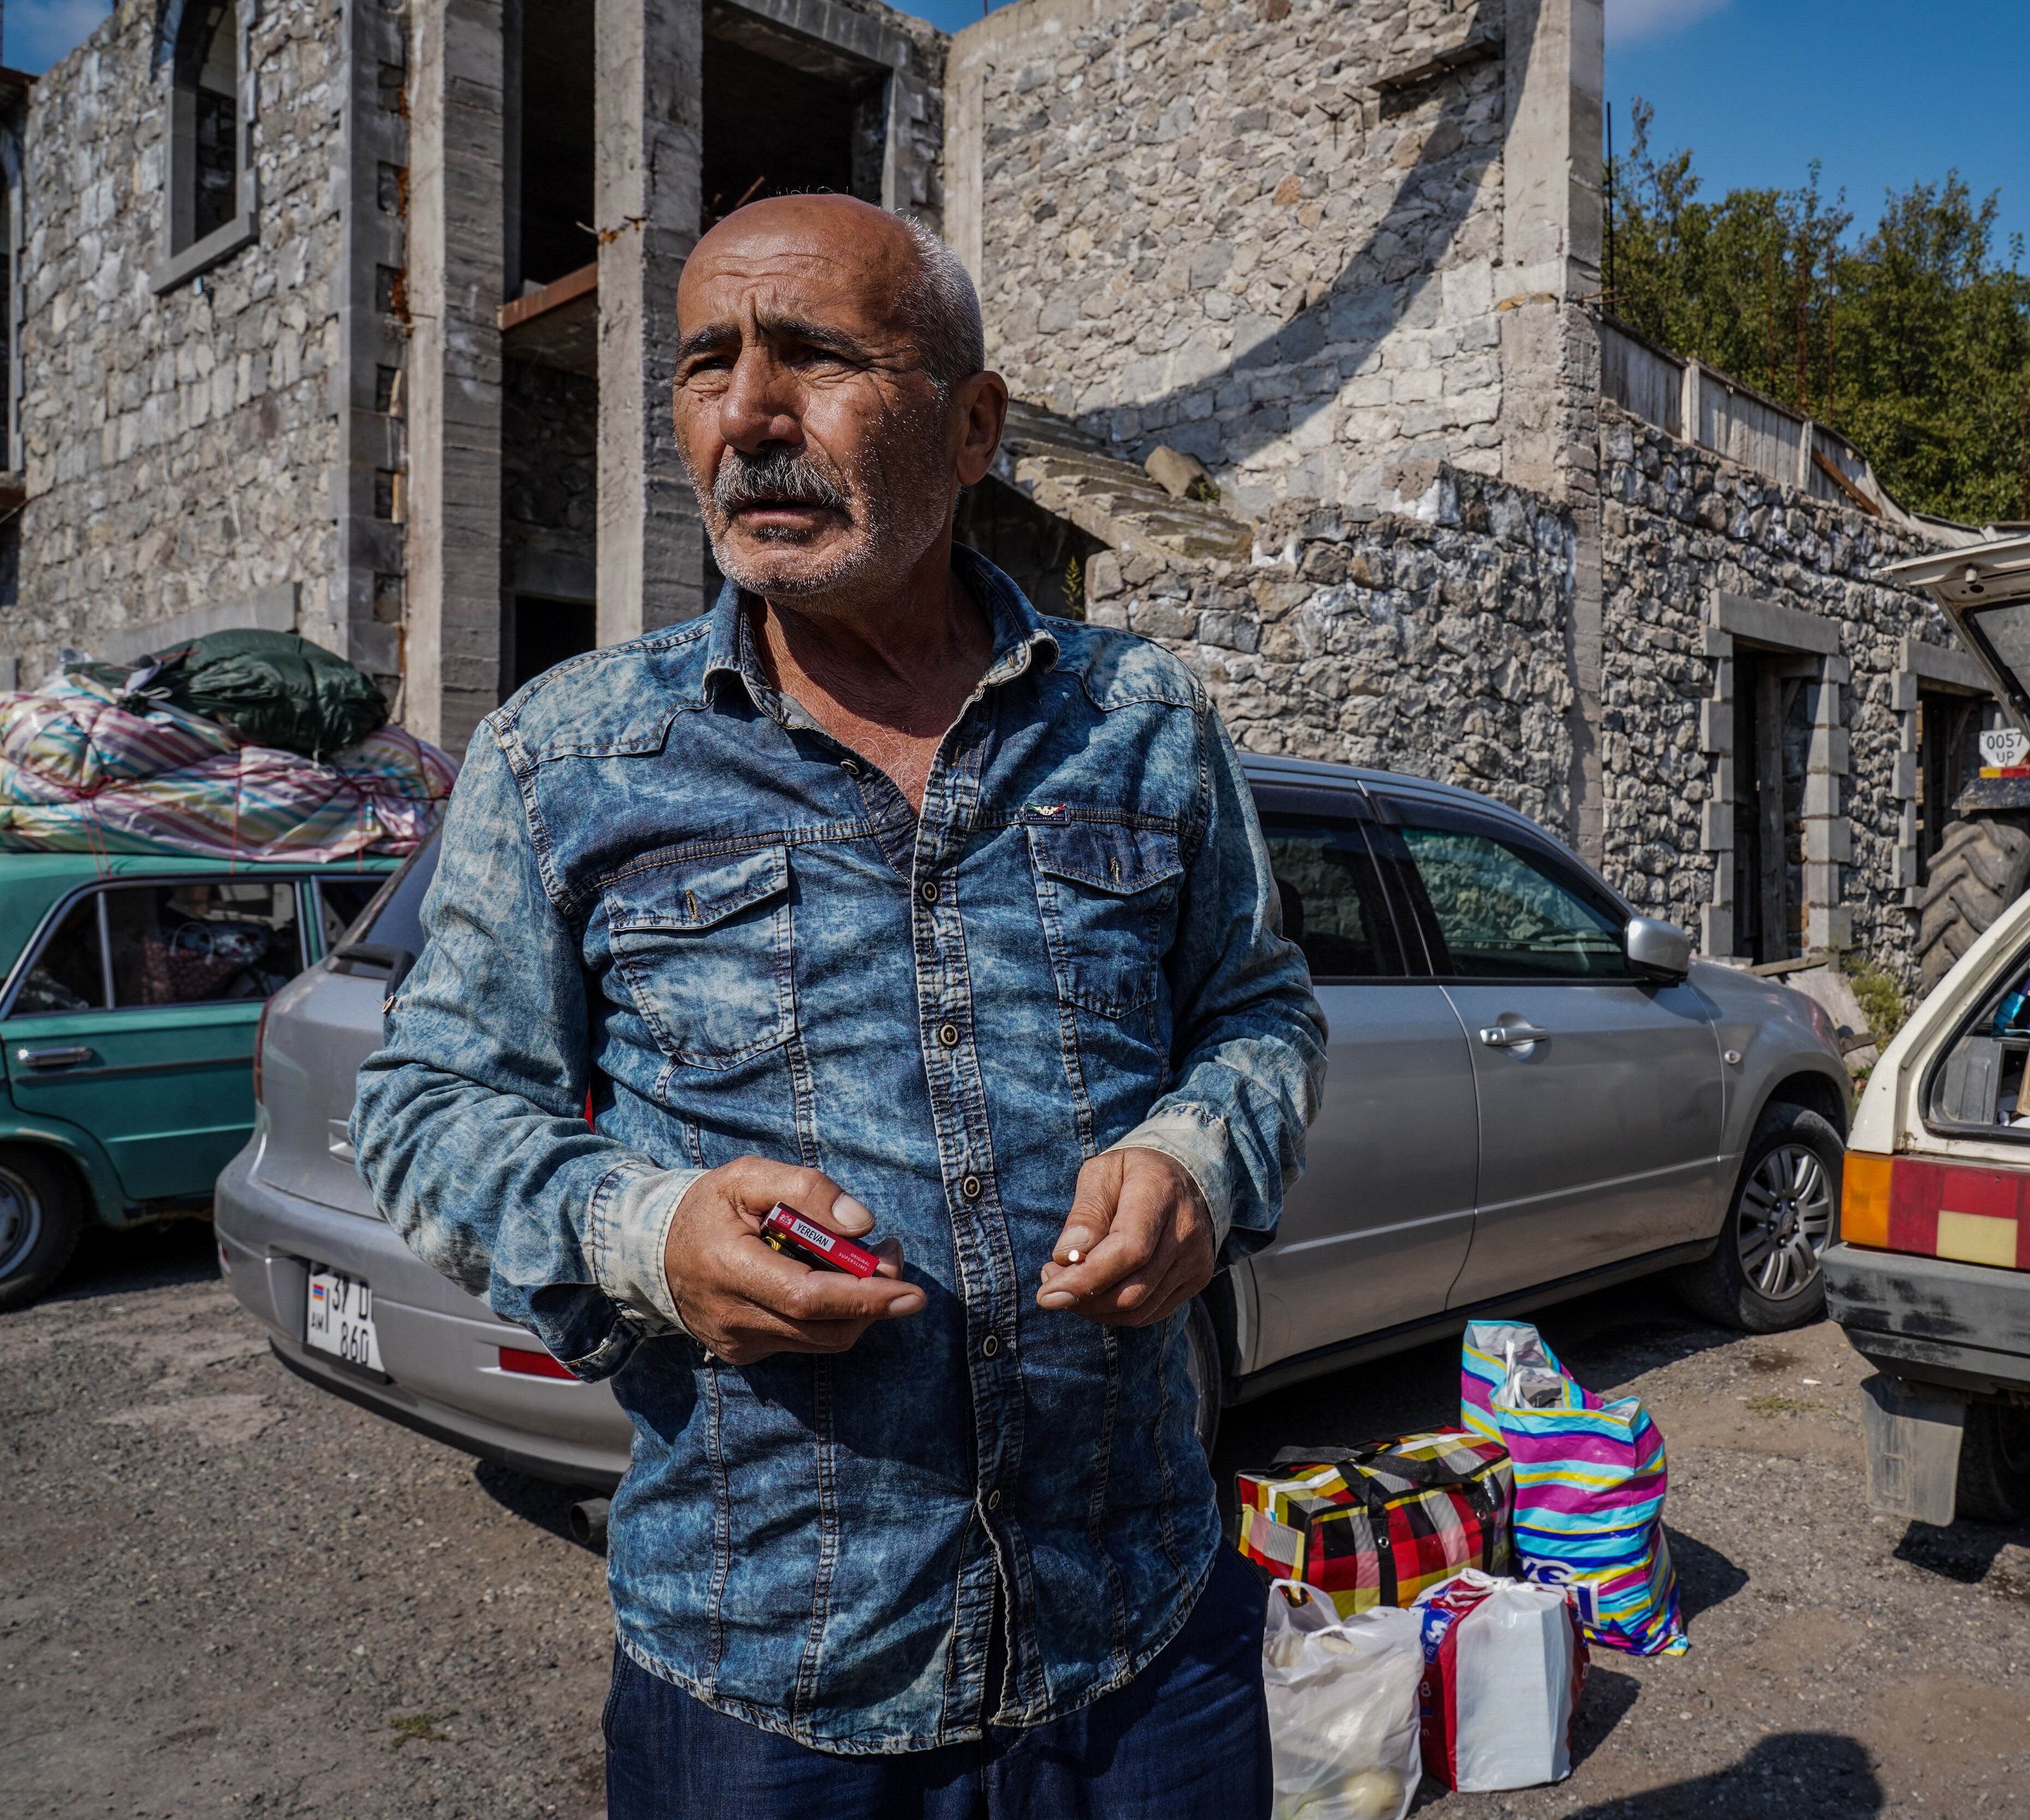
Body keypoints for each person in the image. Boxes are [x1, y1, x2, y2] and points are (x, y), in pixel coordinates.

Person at [352, 193, 1325, 1819]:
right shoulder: (564, 756)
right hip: (765, 1691)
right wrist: (647, 1235)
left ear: (972, 429)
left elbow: (1260, 1012)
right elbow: (428, 1105)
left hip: (1143, 1657)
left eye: (813, 357)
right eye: (705, 365)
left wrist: (1203, 1161)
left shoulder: (1142, 721)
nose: (747, 416)